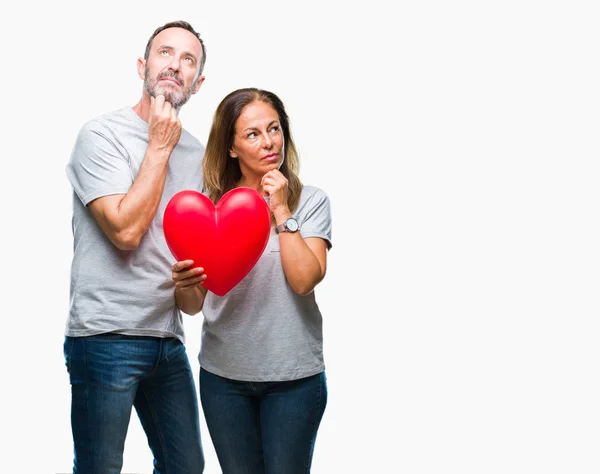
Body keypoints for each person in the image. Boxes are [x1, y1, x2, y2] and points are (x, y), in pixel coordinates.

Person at [64, 20, 207, 474]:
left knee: (186, 467)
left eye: (188, 60)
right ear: (143, 66)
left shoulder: (199, 155)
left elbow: (194, 266)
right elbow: (125, 232)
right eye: (165, 53)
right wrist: (159, 148)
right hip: (105, 337)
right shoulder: (99, 136)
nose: (175, 66)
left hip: (167, 339)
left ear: (197, 83)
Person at [171, 88, 332, 473]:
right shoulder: (206, 209)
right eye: (253, 134)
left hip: (294, 379)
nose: (268, 142)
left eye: (274, 129)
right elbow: (194, 307)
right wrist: (184, 285)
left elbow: (304, 279)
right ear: (231, 147)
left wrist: (280, 209)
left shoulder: (310, 201)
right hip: (223, 379)